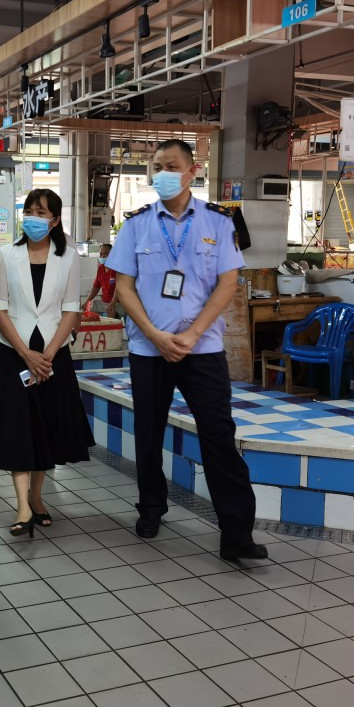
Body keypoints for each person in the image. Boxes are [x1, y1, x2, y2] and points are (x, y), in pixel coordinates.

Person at [106, 139, 266, 561]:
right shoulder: (136, 225)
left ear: (193, 170)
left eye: (171, 165)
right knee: (148, 434)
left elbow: (228, 284)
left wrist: (192, 335)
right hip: (148, 349)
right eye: (155, 166)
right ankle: (151, 508)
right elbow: (124, 287)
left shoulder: (217, 222)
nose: (162, 173)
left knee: (218, 436)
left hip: (203, 350)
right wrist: (156, 336)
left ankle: (236, 535)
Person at [0, 189, 93, 537]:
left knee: (45, 426)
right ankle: (21, 506)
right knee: (17, 426)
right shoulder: (5, 254)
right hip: (12, 353)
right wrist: (25, 353)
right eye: (29, 211)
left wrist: (47, 354)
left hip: (53, 353)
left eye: (42, 212)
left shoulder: (69, 257)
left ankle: (36, 495)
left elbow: (71, 308)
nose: (33, 217)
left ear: (56, 220)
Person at [84, 243, 119, 317]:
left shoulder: (117, 269)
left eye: (106, 254)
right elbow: (96, 287)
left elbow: (118, 288)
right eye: (101, 254)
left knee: (110, 313)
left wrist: (112, 304)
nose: (103, 256)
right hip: (104, 303)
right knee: (86, 309)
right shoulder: (101, 268)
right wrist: (87, 302)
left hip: (117, 303)